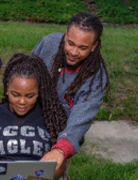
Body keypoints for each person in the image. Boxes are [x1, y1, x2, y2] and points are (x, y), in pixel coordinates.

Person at [0, 53, 69, 180]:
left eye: (30, 96)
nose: (22, 102)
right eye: (15, 95)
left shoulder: (50, 118)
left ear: (39, 92)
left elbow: (59, 165)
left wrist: (44, 177)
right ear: (7, 88)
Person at [30, 12, 110, 167]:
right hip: (30, 123)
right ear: (66, 35)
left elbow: (81, 117)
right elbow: (23, 75)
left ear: (94, 46)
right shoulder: (48, 43)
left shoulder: (95, 77)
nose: (73, 52)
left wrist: (61, 149)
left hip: (61, 135)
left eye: (82, 47)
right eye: (71, 43)